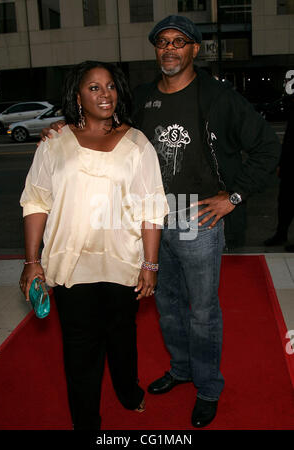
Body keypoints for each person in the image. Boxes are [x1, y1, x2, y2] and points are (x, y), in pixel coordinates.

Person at [40, 16, 281, 428]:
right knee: (164, 304)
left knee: (202, 310)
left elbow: (266, 147)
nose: (169, 49)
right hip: (146, 219)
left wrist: (233, 197)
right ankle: (182, 369)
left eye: (179, 42)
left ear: (194, 50)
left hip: (195, 215)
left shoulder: (219, 98)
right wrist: (66, 125)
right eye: (162, 42)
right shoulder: (143, 96)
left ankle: (207, 386)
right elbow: (107, 125)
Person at [19, 60, 168, 430]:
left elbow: (152, 207)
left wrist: (150, 264)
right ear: (77, 94)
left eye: (111, 86)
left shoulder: (137, 143)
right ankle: (86, 422)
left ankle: (127, 390)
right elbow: (36, 200)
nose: (105, 94)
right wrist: (31, 260)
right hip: (71, 266)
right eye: (94, 87)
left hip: (123, 264)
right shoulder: (55, 142)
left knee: (122, 337)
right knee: (80, 350)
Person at [264, 97, 294, 251]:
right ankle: (281, 234)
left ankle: (282, 235)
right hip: (289, 167)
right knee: (284, 203)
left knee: (286, 203)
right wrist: (282, 164)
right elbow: (288, 141)